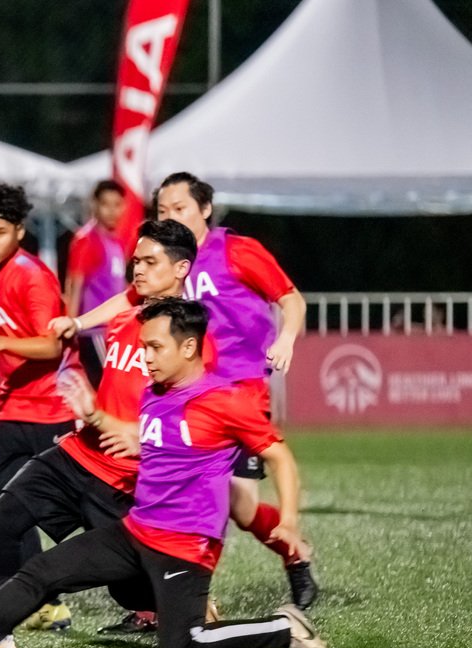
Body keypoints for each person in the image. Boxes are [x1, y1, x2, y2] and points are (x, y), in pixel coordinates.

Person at [0, 298, 329, 648]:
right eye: (144, 347)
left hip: (185, 546)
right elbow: (153, 440)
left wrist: (289, 520)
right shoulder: (156, 394)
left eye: (155, 347)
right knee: (42, 572)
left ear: (189, 347)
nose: (146, 357)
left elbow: (279, 456)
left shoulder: (226, 401)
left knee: (183, 647)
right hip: (135, 531)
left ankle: (284, 629)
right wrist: (95, 416)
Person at [78, 172, 317, 615]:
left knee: (237, 507)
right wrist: (77, 323)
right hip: (183, 393)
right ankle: (160, 604)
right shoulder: (164, 259)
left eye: (180, 208)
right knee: (163, 489)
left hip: (236, 393)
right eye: (163, 209)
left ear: (205, 209)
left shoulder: (237, 251)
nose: (171, 215)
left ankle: (288, 556)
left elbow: (291, 299)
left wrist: (286, 338)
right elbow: (128, 300)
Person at [0, 220, 199, 648]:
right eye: (135, 261)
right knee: (5, 514)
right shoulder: (131, 307)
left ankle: (188, 606)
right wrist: (75, 322)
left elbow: (204, 414)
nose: (137, 270)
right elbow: (124, 299)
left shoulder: (194, 335)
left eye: (150, 262)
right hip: (79, 453)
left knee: (131, 591)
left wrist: (142, 437)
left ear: (181, 268)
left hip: (126, 478)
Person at [0, 180, 74, 631]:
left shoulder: (32, 276)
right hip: (15, 407)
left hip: (55, 407)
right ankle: (45, 602)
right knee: (3, 503)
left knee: (82, 513)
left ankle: (155, 590)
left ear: (20, 231)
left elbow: (51, 346)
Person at [63, 180, 128, 389]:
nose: (112, 211)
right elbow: (74, 285)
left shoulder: (116, 241)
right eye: (106, 204)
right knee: (108, 390)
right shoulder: (87, 240)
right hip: (94, 333)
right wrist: (70, 328)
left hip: (114, 331)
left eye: (117, 204)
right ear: (95, 205)